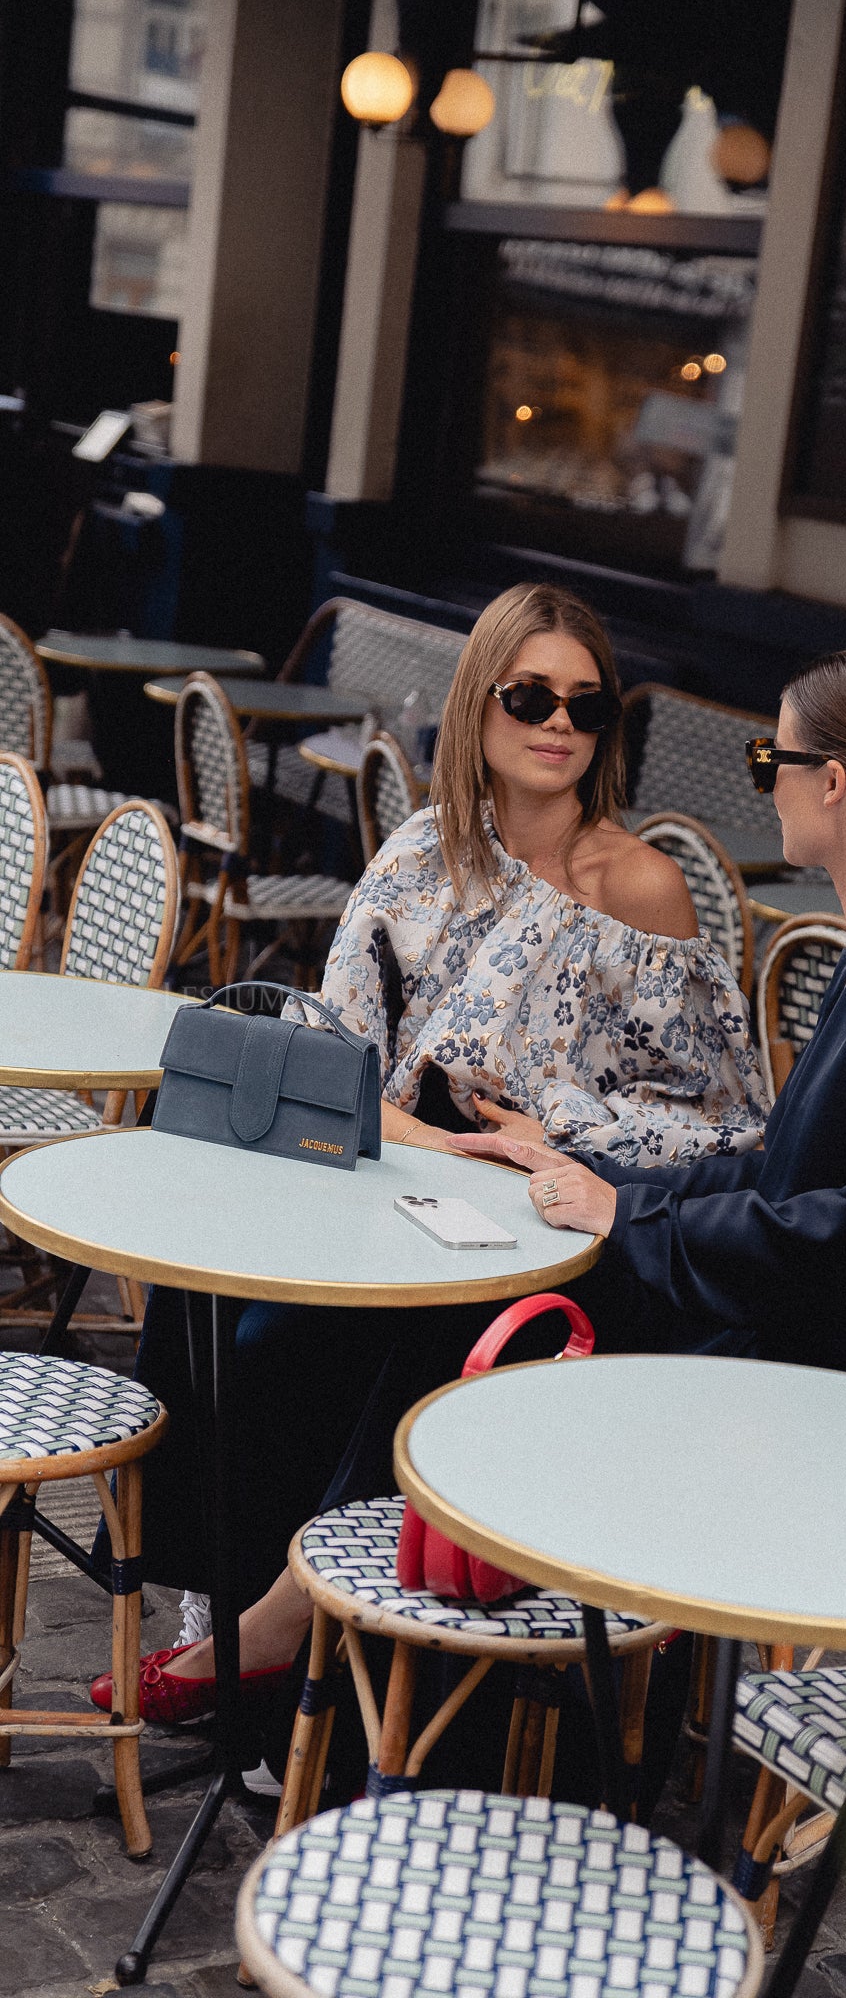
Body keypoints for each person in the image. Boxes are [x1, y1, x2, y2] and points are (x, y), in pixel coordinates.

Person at [106, 638, 846, 1720]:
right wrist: (578, 1166)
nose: (763, 783)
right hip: (806, 1315)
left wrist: (624, 1215)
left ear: (830, 780)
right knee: (440, 1310)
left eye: (764, 758)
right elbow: (782, 1168)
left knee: (506, 1321)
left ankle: (346, 1661)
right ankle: (324, 1642)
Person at [97, 582, 766, 1720]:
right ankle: (239, 1627)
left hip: (546, 1232)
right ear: (479, 703)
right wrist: (433, 1140)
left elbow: (723, 1122)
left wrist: (557, 1130)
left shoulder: (641, 887)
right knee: (237, 1322)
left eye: (586, 706)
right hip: (396, 1189)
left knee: (370, 1352)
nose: (558, 724)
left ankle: (284, 1640)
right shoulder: (418, 855)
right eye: (529, 696)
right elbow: (339, 1048)